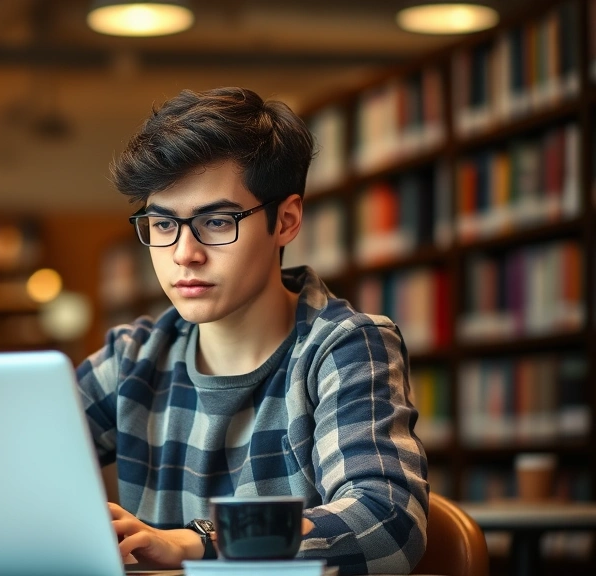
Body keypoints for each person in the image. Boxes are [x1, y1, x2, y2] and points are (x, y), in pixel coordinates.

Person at [75, 87, 428, 575]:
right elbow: (6, 464)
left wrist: (200, 542)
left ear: (285, 221)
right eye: (162, 225)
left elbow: (386, 523)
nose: (184, 254)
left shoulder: (344, 348)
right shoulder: (133, 356)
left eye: (216, 222)